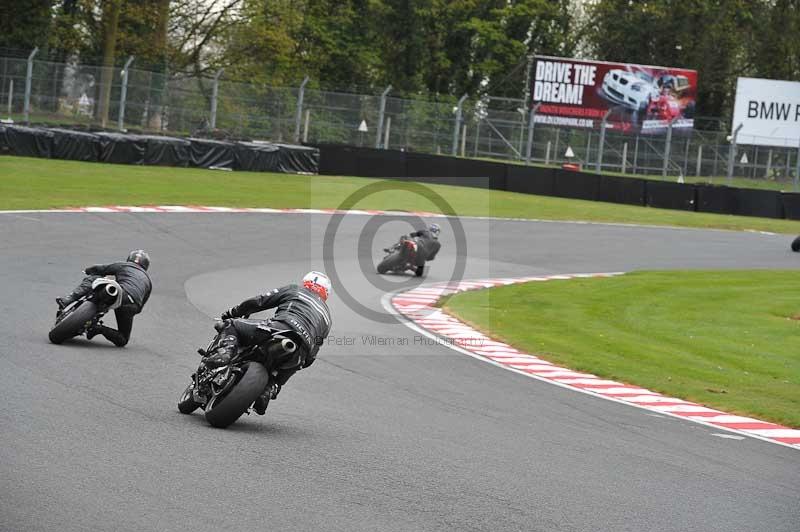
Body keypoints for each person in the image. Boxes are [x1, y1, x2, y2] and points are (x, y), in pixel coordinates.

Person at [204, 271, 332, 415]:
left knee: (232, 325)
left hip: (279, 328)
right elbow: (313, 353)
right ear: (326, 293)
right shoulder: (327, 318)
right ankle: (269, 389)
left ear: (306, 283)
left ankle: (225, 353)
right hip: (302, 348)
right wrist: (303, 361)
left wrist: (234, 312)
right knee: (296, 364)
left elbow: (259, 301)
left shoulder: (295, 290)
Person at [55, 250, 152, 347]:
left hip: (119, 292)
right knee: (123, 339)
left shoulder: (125, 265)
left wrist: (88, 270)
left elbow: (101, 268)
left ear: (129, 258)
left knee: (95, 277)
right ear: (146, 265)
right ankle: (97, 328)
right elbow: (140, 306)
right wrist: (128, 312)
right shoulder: (148, 281)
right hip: (132, 304)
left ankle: (68, 299)